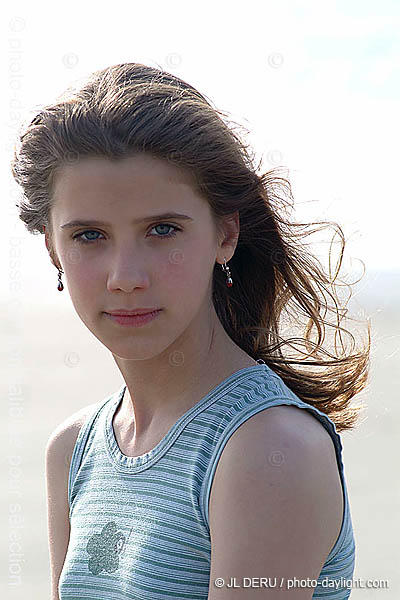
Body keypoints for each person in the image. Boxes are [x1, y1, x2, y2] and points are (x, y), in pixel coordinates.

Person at [11, 62, 370, 600]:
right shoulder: (73, 450)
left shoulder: (266, 449)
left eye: (162, 230)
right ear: (52, 250)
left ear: (224, 234)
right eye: (89, 235)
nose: (125, 277)